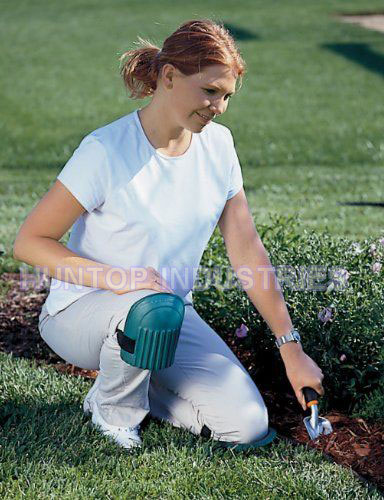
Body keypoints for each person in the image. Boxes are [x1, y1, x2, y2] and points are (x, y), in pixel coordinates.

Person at [13, 19, 324, 451]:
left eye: (227, 96)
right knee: (150, 308)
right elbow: (30, 241)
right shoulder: (106, 150)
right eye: (209, 91)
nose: (218, 106)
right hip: (80, 312)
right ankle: (113, 412)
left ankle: (124, 385)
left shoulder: (219, 147)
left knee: (246, 425)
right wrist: (122, 280)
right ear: (169, 76)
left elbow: (247, 250)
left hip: (167, 316)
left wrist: (291, 348)